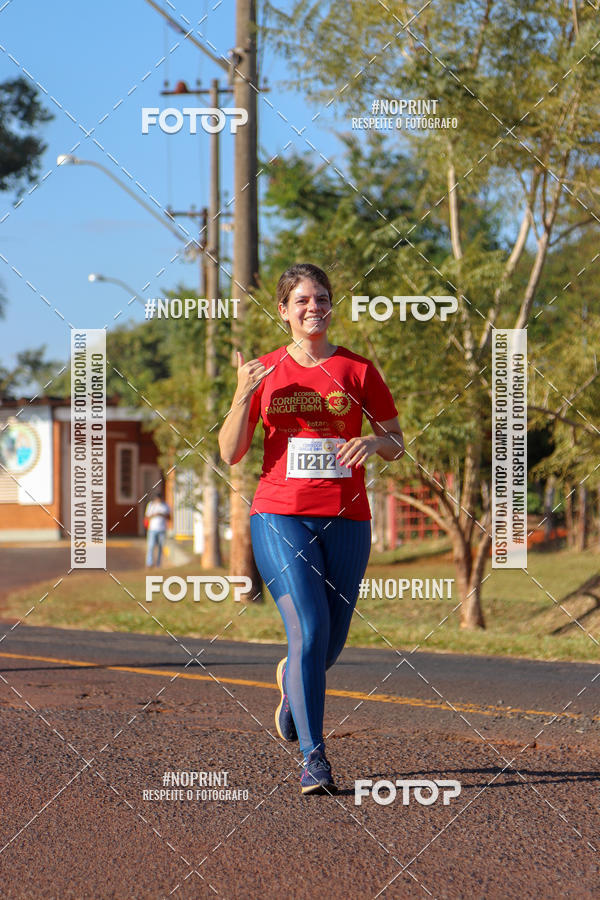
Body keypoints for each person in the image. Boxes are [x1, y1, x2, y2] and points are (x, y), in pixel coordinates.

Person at [218, 263, 404, 795]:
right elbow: (231, 453)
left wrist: (371, 443)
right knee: (309, 630)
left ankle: (290, 681)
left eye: (321, 298)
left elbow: (395, 439)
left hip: (348, 517)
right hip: (279, 513)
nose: (313, 307)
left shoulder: (358, 370)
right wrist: (239, 393)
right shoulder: (263, 373)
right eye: (301, 300)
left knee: (331, 641)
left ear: (331, 305)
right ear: (283, 311)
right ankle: (314, 759)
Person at [144, 489, 171, 568]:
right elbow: (147, 517)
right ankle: (149, 563)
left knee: (160, 546)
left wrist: (162, 515)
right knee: (151, 546)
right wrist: (155, 514)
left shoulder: (165, 506)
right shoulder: (151, 505)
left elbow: (169, 517)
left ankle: (159, 564)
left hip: (162, 529)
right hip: (152, 529)